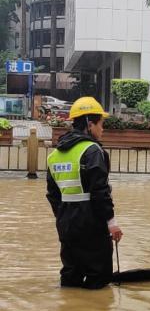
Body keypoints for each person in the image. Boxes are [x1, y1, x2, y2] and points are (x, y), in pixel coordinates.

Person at [46, 97, 123, 289]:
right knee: (99, 277)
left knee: (71, 274)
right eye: (101, 124)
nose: (102, 129)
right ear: (90, 124)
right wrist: (112, 224)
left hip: (65, 223)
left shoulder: (54, 155)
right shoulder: (93, 151)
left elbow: (52, 195)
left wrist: (64, 215)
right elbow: (100, 192)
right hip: (91, 223)